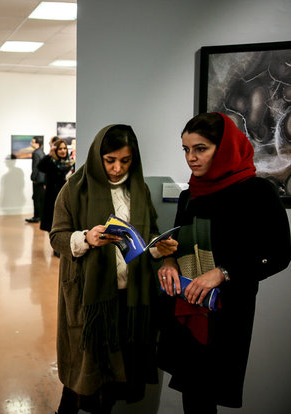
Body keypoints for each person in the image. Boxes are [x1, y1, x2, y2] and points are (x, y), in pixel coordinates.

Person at [157, 112, 291, 413]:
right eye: (186, 149)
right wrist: (168, 262)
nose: (191, 157)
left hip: (227, 311)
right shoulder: (190, 194)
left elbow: (280, 254)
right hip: (187, 304)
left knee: (208, 392)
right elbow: (176, 246)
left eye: (200, 148)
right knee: (192, 394)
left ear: (225, 147)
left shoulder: (257, 192)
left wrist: (223, 272)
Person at [49, 124, 177, 414]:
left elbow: (147, 238)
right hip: (90, 298)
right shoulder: (75, 188)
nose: (118, 169)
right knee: (84, 372)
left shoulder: (139, 189)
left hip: (128, 298)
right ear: (98, 156)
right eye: (110, 161)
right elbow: (56, 237)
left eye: (125, 160)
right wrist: (85, 238)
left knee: (114, 374)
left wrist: (160, 248)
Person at [38, 138, 75, 256]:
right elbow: (40, 166)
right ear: (56, 150)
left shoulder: (71, 163)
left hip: (67, 197)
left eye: (64, 148)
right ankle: (56, 247)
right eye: (60, 149)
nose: (63, 151)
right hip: (52, 197)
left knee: (65, 222)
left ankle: (62, 246)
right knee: (53, 223)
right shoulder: (51, 162)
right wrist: (49, 154)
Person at [26, 136, 45, 223]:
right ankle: (40, 216)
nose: (31, 143)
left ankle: (36, 217)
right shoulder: (41, 152)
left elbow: (36, 167)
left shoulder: (36, 153)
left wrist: (33, 177)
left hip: (37, 179)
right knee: (40, 199)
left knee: (36, 199)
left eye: (33, 142)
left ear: (37, 143)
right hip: (42, 179)